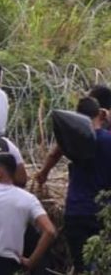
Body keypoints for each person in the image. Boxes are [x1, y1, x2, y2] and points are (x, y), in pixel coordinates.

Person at [34, 96, 111, 272]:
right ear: (100, 113)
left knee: (81, 265)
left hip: (76, 210)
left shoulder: (74, 141)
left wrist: (43, 174)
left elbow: (55, 153)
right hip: (103, 213)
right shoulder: (108, 140)